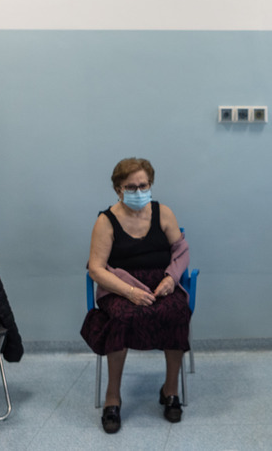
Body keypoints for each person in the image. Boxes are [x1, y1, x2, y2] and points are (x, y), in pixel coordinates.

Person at [80, 157, 191, 433]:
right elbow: (95, 268)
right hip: (119, 286)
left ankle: (170, 390)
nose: (139, 192)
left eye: (144, 185)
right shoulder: (105, 222)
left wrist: (171, 278)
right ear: (118, 189)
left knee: (176, 311)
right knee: (121, 317)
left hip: (159, 283)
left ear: (151, 184)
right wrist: (129, 292)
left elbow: (181, 251)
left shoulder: (163, 213)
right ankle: (113, 397)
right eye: (131, 187)